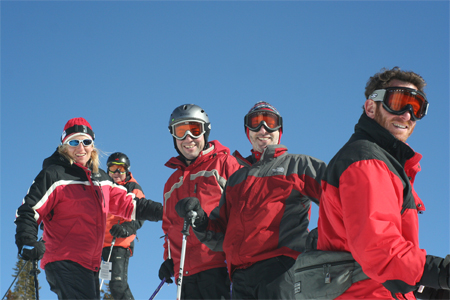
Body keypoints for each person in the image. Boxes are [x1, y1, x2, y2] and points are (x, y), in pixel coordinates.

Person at [316, 67, 450, 299]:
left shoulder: (384, 164)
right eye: (398, 101)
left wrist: (430, 290)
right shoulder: (366, 160)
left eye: (416, 107)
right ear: (371, 107)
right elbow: (379, 249)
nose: (407, 115)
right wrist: (442, 273)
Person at [175, 101, 327, 299]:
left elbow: (341, 197)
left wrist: (323, 234)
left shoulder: (298, 165)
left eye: (269, 122)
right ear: (248, 131)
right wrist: (200, 219)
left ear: (279, 129)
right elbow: (220, 234)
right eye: (255, 122)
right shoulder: (237, 179)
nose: (262, 129)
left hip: (280, 270)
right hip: (241, 278)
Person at [14, 117, 163, 300]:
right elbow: (29, 210)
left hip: (90, 263)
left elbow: (131, 204)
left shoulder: (100, 179)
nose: (80, 148)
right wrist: (26, 239)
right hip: (64, 259)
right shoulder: (54, 175)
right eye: (74, 142)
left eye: (86, 142)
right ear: (64, 146)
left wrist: (168, 211)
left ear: (92, 146)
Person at [157, 104, 242, 300]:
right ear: (173, 136)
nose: (188, 138)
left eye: (194, 130)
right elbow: (168, 227)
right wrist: (169, 259)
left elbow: (243, 212)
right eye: (180, 131)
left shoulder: (224, 164)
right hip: (185, 276)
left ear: (205, 131)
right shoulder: (171, 183)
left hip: (219, 268)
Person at [102, 152, 145, 300]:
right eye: (113, 169)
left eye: (120, 169)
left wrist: (127, 228)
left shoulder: (132, 187)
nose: (116, 173)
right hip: (100, 243)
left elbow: (140, 213)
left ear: (127, 170)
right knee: (91, 283)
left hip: (119, 241)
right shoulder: (103, 187)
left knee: (117, 285)